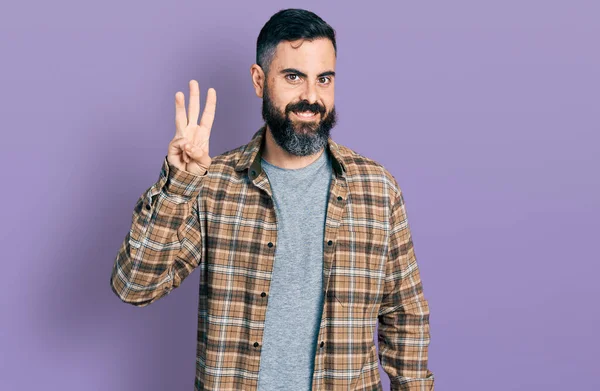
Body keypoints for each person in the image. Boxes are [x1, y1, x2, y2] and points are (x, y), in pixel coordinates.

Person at [110, 8, 434, 391]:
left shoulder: (377, 190)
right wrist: (180, 183)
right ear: (259, 80)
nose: (311, 97)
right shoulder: (215, 184)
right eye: (293, 77)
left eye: (324, 79)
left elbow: (404, 316)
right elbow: (135, 286)